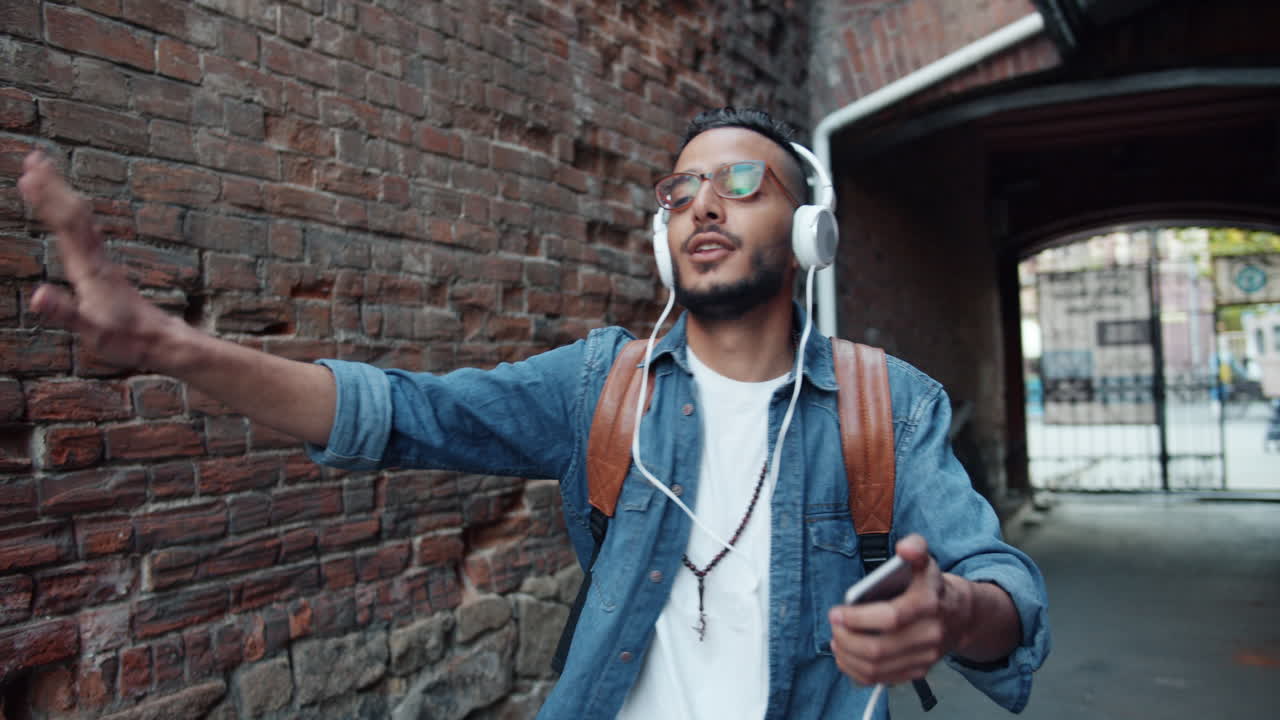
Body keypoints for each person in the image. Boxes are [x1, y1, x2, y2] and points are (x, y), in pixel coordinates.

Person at [17, 107, 1049, 719]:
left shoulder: (885, 403)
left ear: (810, 231)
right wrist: (166, 345)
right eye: (679, 188)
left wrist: (950, 614)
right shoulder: (598, 385)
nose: (700, 204)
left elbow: (1003, 590)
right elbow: (393, 412)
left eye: (739, 182)